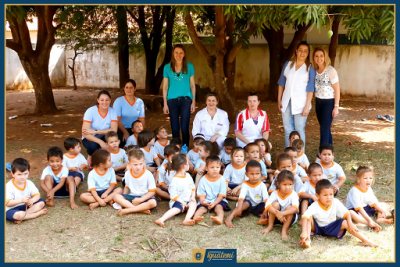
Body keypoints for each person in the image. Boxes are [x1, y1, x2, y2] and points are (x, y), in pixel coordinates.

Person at [300, 180, 379, 248]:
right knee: (309, 218)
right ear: (317, 195)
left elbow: (347, 213)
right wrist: (303, 232)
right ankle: (307, 240)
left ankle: (365, 240)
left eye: (331, 194)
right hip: (317, 227)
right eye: (325, 195)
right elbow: (304, 216)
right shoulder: (315, 205)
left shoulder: (335, 202)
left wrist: (350, 223)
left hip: (332, 227)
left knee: (345, 222)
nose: (329, 197)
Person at [278, 41, 316, 148]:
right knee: (287, 130)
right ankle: (288, 154)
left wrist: (307, 106)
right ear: (296, 51)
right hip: (286, 101)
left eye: (305, 51)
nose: (302, 53)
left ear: (308, 53)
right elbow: (282, 83)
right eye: (300, 50)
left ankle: (300, 156)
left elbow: (310, 89)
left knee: (299, 130)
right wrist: (279, 99)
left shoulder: (310, 68)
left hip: (301, 103)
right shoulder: (288, 65)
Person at [163, 44, 196, 147]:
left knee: (185, 127)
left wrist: (193, 102)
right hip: (171, 101)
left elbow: (192, 85)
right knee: (175, 127)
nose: (178, 55)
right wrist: (165, 103)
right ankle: (176, 149)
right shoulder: (167, 67)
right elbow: (165, 87)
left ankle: (185, 148)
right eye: (176, 52)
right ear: (173, 53)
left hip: (186, 100)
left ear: (184, 54)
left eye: (181, 52)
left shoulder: (189, 66)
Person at [154, 154, 197, 227]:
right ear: (184, 166)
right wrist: (182, 202)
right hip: (178, 201)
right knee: (178, 208)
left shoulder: (188, 176)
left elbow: (193, 187)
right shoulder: (175, 180)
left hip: (188, 200)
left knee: (193, 204)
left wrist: (193, 197)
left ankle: (187, 219)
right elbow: (174, 196)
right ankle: (161, 219)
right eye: (187, 163)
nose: (189, 165)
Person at [224, 160, 269, 228]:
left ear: (260, 173)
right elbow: (241, 197)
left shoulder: (262, 185)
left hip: (258, 205)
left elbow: (266, 199)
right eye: (252, 174)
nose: (255, 176)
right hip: (248, 205)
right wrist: (239, 209)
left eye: (257, 174)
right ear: (247, 174)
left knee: (268, 207)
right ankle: (229, 218)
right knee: (246, 203)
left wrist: (266, 210)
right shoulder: (245, 184)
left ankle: (262, 218)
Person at [113, 149, 158, 216]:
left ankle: (129, 210)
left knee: (153, 203)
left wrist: (141, 199)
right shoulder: (127, 173)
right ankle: (141, 210)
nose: (138, 167)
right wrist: (124, 196)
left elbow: (152, 192)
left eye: (140, 164)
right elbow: (127, 186)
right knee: (116, 197)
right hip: (132, 197)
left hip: (144, 197)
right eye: (135, 164)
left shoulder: (148, 174)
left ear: (143, 162)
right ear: (129, 163)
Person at [312, 47, 340, 147]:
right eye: (316, 56)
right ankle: (329, 152)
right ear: (313, 58)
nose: (319, 58)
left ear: (325, 57)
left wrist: (336, 106)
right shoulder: (314, 71)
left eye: (321, 56)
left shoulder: (330, 70)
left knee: (323, 130)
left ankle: (321, 154)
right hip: (318, 102)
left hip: (329, 103)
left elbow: (337, 89)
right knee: (326, 128)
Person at [6, 158, 47, 224]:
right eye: (19, 174)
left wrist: (32, 200)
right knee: (18, 215)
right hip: (11, 209)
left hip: (25, 206)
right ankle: (35, 214)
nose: (23, 177)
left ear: (28, 172)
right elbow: (7, 203)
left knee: (42, 202)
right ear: (12, 174)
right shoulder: (8, 186)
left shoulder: (29, 183)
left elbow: (37, 195)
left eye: (25, 174)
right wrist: (21, 200)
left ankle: (23, 217)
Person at [82, 90, 118, 163]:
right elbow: (85, 133)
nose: (104, 102)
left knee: (118, 139)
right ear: (98, 100)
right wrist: (100, 142)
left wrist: (95, 131)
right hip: (91, 137)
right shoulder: (90, 111)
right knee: (93, 147)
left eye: (107, 100)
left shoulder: (112, 111)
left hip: (104, 135)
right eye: (102, 100)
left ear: (110, 100)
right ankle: (91, 156)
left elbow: (114, 130)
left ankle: (108, 159)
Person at [262, 170, 299, 240]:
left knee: (289, 208)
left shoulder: (293, 194)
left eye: (290, 184)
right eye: (284, 184)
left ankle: (284, 230)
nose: (287, 187)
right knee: (275, 204)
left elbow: (295, 209)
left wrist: (281, 213)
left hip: (289, 219)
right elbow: (267, 205)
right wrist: (277, 213)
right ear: (278, 184)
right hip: (277, 217)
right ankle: (270, 226)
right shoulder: (275, 193)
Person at [193, 156, 230, 225]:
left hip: (218, 200)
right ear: (206, 168)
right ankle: (196, 217)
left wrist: (215, 203)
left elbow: (221, 195)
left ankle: (220, 217)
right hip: (206, 200)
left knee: (218, 208)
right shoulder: (203, 180)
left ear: (220, 168)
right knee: (202, 209)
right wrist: (203, 202)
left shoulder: (222, 179)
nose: (215, 169)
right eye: (212, 167)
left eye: (217, 167)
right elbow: (201, 194)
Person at [62, 137, 88, 209]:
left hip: (78, 173)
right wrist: (70, 168)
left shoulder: (80, 155)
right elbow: (62, 167)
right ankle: (70, 186)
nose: (80, 148)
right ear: (71, 149)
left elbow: (85, 162)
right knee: (67, 178)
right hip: (68, 174)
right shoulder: (64, 157)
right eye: (78, 147)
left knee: (78, 176)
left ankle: (75, 185)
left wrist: (82, 167)